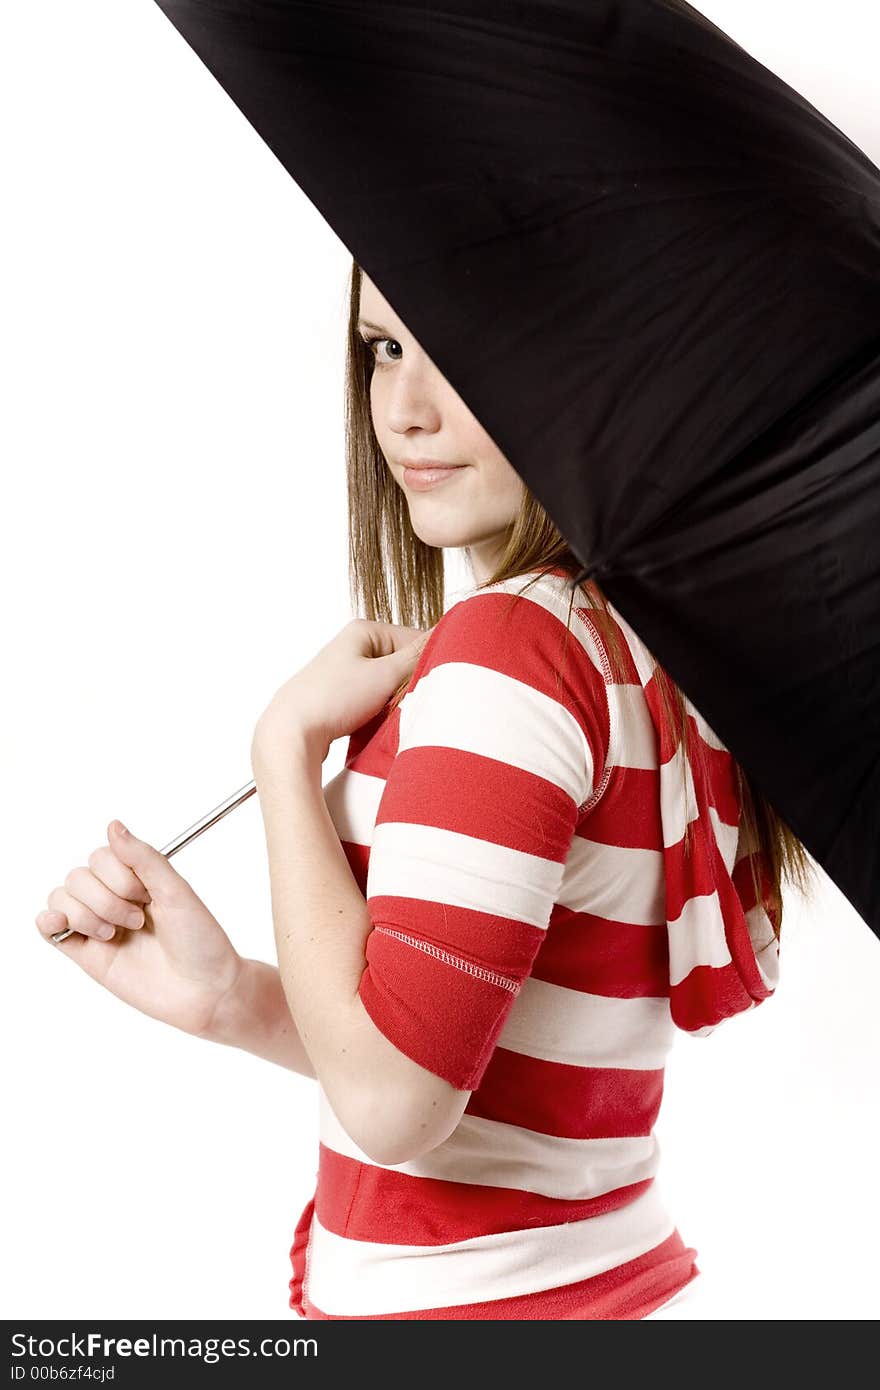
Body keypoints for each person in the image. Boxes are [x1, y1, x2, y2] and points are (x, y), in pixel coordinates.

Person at [36, 259, 816, 1320]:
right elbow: (468, 1062)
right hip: (601, 1286)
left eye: (456, 345)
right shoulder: (654, 654)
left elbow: (393, 1105)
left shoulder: (512, 651)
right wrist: (229, 999)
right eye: (384, 348)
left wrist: (283, 755)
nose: (402, 410)